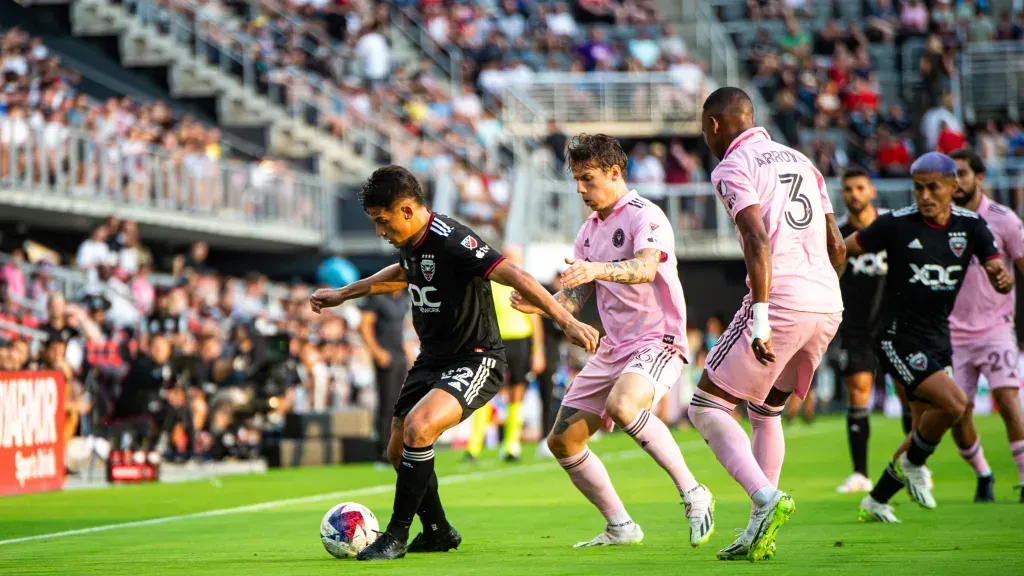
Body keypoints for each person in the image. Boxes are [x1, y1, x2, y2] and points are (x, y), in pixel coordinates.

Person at [309, 166, 599, 561]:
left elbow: (513, 274)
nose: (379, 230)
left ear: (408, 210)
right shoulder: (410, 242)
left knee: (419, 427)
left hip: (475, 357)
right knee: (398, 451)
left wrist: (565, 319)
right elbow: (401, 274)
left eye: (382, 220)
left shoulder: (453, 239)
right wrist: (345, 293)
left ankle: (395, 535)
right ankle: (437, 530)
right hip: (432, 358)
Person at [510, 134, 714, 549]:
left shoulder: (646, 216)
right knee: (562, 441)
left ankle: (694, 493)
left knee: (623, 407)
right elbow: (576, 295)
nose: (581, 189)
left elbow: (643, 268)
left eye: (588, 179)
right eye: (577, 180)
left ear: (615, 173)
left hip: (657, 340)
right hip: (613, 349)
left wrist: (594, 269)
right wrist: (543, 304)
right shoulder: (588, 232)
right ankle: (620, 525)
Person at [688, 87, 845, 561]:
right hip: (827, 301)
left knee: (705, 406)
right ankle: (761, 528)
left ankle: (765, 497)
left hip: (780, 302)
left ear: (714, 125)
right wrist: (817, 296)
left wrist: (762, 319)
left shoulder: (734, 166)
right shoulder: (802, 161)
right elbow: (837, 245)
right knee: (766, 411)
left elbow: (756, 237)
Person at [846, 152, 1012, 523]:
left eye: (933, 187)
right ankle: (915, 465)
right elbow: (845, 248)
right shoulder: (895, 224)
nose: (924, 196)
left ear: (954, 188)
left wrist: (1004, 278)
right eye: (918, 188)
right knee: (956, 405)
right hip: (896, 337)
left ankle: (877, 500)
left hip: (939, 338)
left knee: (927, 424)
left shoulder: (971, 226)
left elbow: (998, 268)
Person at [947, 149, 1024, 504]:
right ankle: (983, 473)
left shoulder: (1004, 219)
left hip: (995, 328)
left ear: (979, 177)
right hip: (951, 332)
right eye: (952, 175)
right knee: (956, 412)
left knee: (1007, 401)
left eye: (962, 174)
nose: (956, 182)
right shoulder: (941, 219)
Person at [834, 167, 888, 494]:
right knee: (858, 391)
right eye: (848, 189)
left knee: (912, 396)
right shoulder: (838, 235)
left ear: (872, 192)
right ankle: (860, 474)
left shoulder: (890, 229)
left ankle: (915, 467)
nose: (854, 194)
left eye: (859, 188)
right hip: (855, 327)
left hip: (894, 324)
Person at [465, 244, 545, 462]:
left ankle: (511, 445)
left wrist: (538, 351)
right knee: (482, 391)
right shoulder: (489, 282)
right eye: (507, 256)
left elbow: (535, 318)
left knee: (517, 391)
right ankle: (474, 446)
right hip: (494, 342)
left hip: (519, 341)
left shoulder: (524, 282)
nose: (510, 260)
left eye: (513, 257)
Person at [359, 290, 411, 461]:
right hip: (385, 354)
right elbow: (365, 326)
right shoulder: (377, 297)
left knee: (401, 403)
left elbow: (401, 326)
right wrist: (376, 352)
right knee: (387, 403)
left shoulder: (404, 298)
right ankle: (383, 448)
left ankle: (398, 446)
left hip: (399, 354)